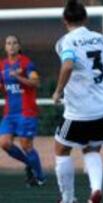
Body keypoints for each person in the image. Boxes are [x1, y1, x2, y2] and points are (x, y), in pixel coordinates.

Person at [52, 0, 103, 202]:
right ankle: (95, 191)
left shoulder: (66, 41)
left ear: (65, 20)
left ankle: (68, 198)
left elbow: (68, 65)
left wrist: (58, 91)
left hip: (80, 110)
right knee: (91, 148)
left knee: (61, 149)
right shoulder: (99, 38)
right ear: (85, 18)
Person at [0, 35, 45, 187]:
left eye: (14, 43)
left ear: (19, 46)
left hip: (26, 112)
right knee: (4, 143)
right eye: (8, 43)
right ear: (5, 47)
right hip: (9, 114)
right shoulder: (2, 65)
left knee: (26, 146)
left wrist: (18, 76)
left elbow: (36, 82)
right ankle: (30, 164)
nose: (11, 46)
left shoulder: (26, 63)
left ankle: (40, 177)